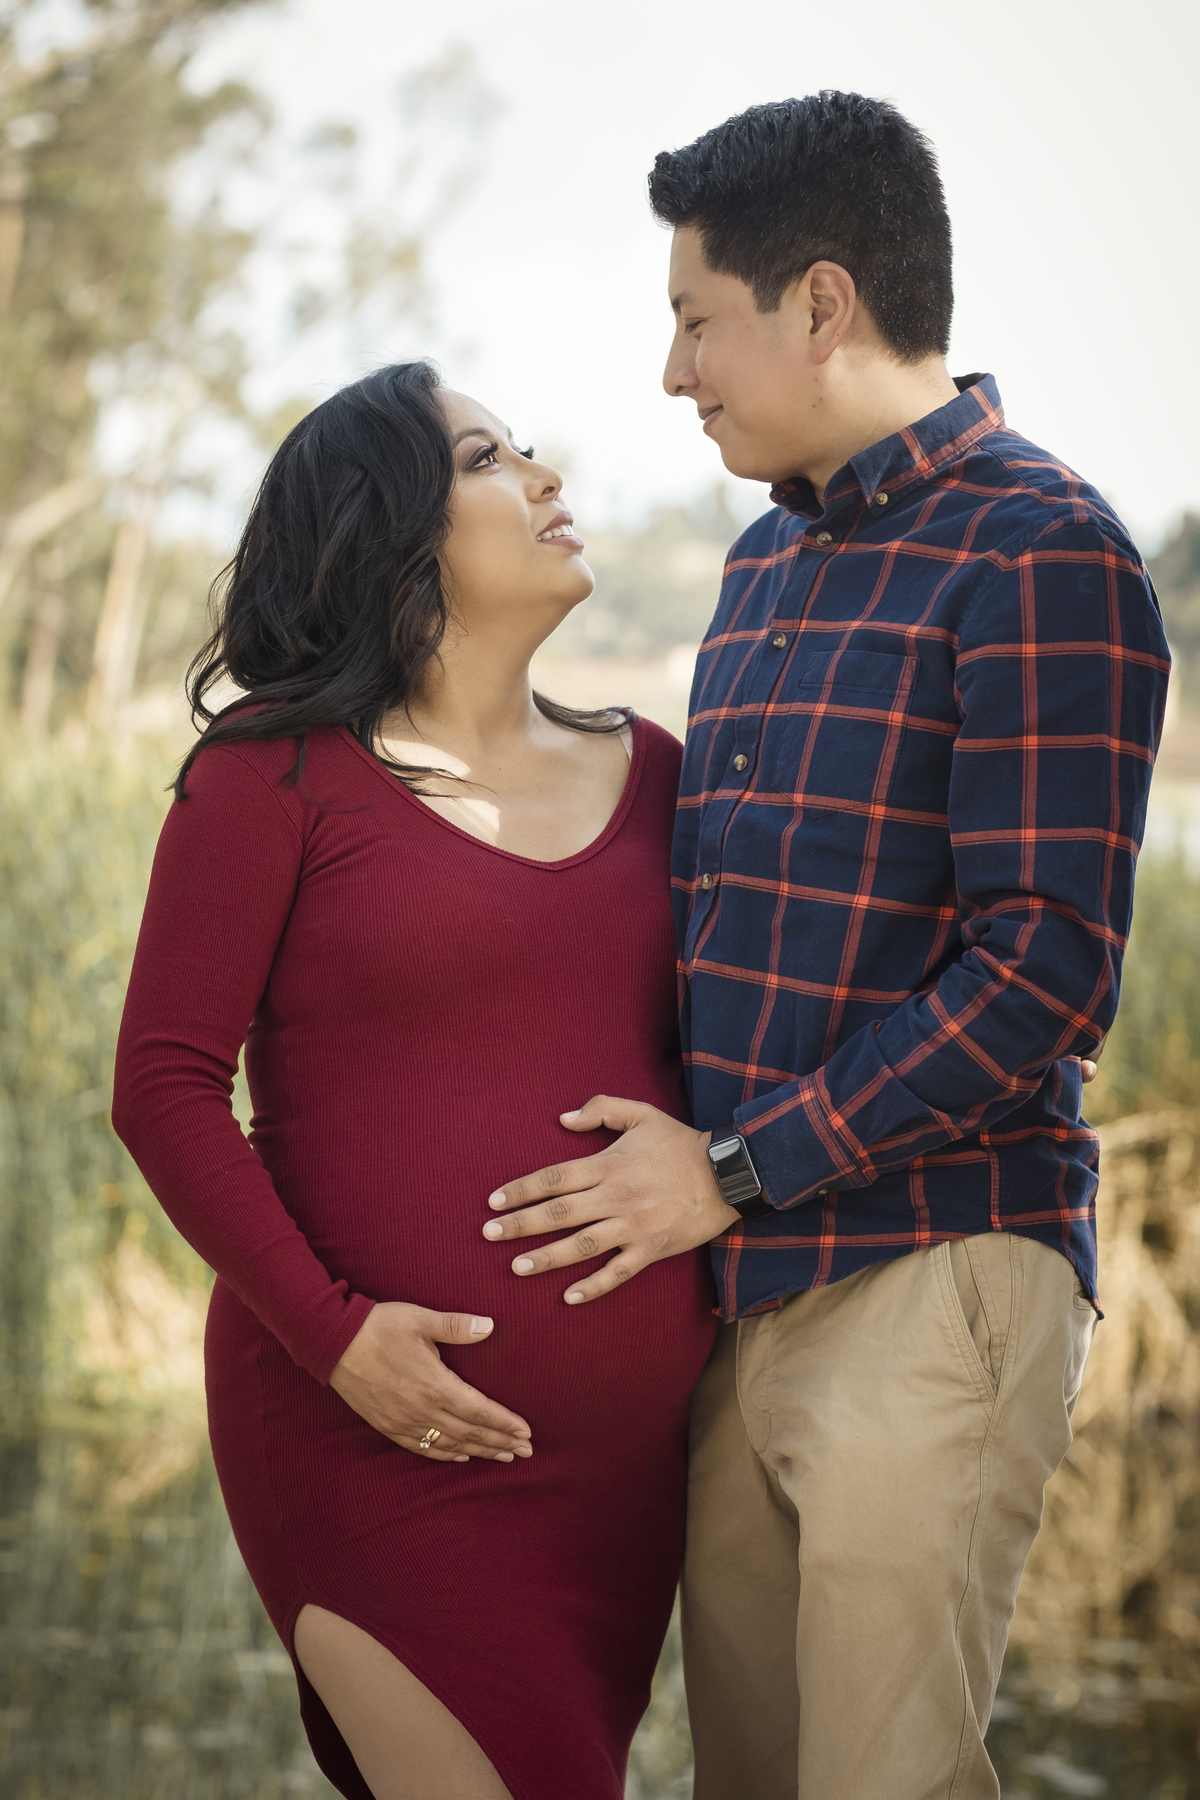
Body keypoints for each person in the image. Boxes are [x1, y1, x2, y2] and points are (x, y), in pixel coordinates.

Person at [481, 94, 1171, 1798]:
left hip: (936, 1273)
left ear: (822, 303)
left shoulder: (1046, 553)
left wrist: (731, 1165)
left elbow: (1045, 974)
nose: (672, 373)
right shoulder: (763, 564)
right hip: (746, 1288)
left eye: (693, 319)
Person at [111, 361, 718, 1800]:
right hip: (365, 1434)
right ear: (393, 529)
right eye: (490, 458)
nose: (547, 475)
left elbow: (734, 1058)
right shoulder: (272, 780)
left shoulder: (667, 779)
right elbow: (164, 1085)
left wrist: (715, 1168)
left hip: (624, 1480)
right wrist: (333, 1340)